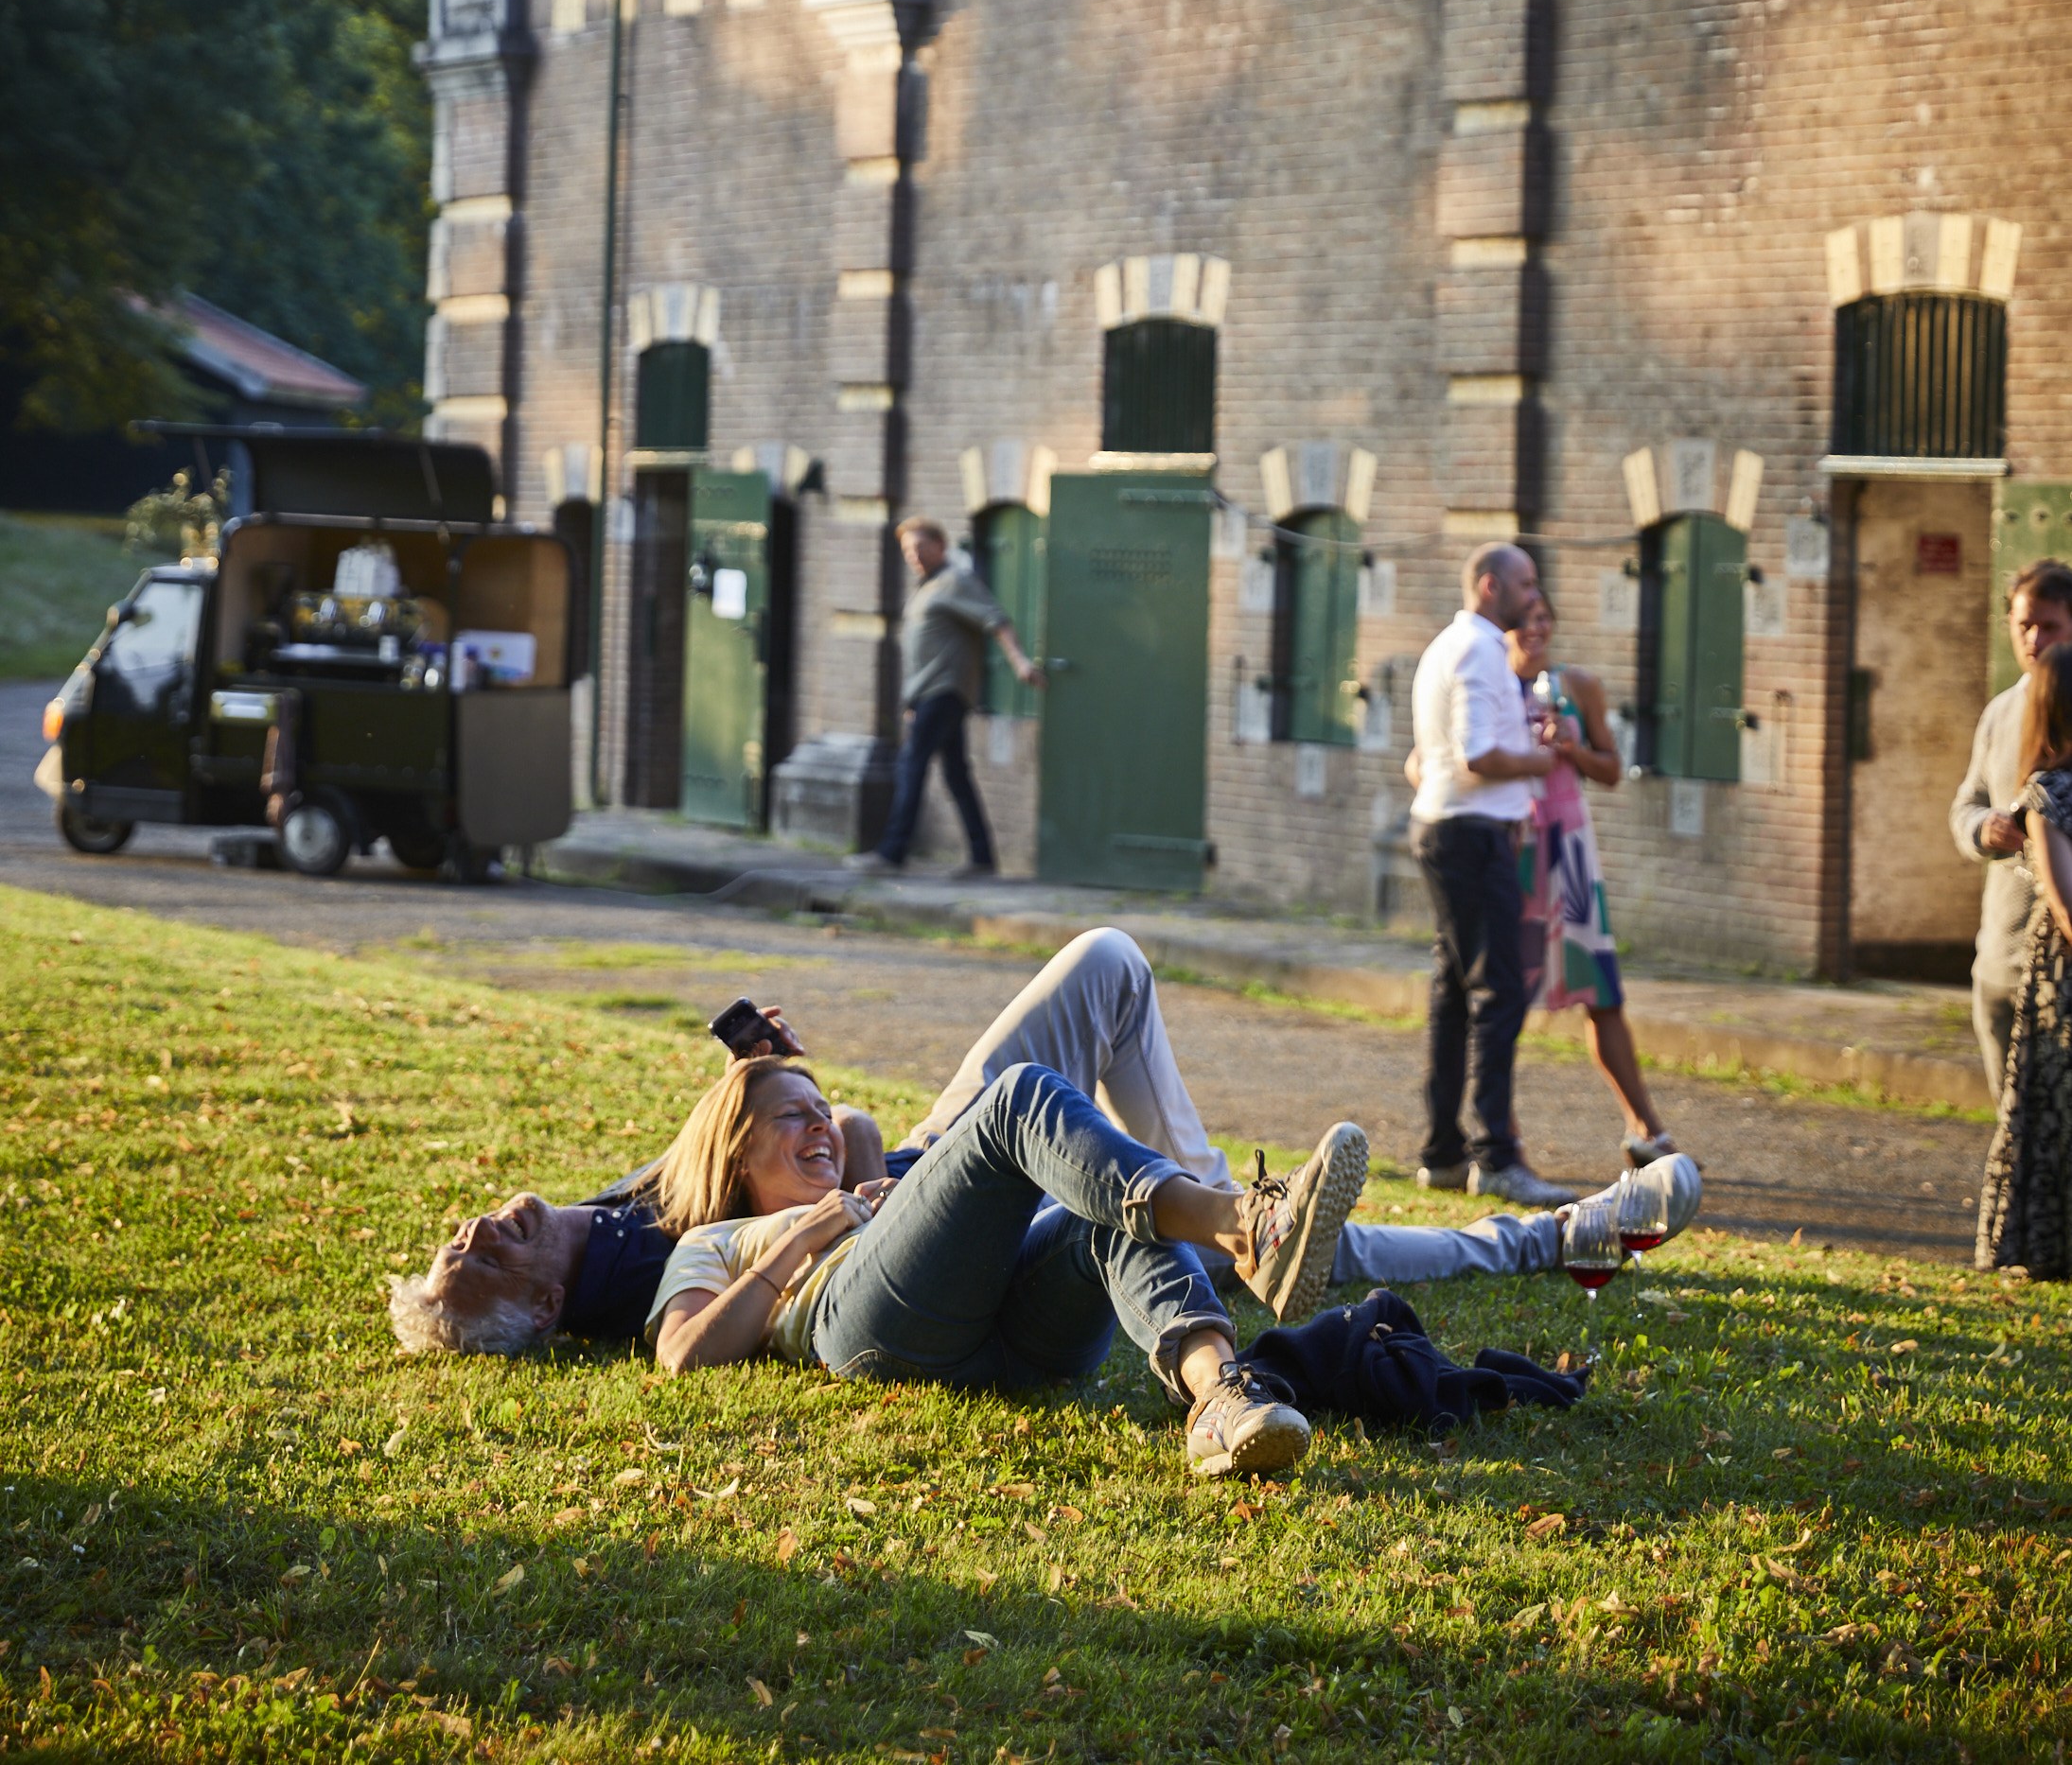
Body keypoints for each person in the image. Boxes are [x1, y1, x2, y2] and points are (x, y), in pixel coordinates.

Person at [388, 925, 1702, 1353]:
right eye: (480, 1265)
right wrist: (808, 1212)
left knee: (1109, 963)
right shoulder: (619, 1280)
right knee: (1091, 1140)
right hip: (935, 1206)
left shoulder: (598, 1209)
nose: (473, 1231)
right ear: (545, 1300)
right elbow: (699, 1336)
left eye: (454, 1238)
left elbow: (842, 1129)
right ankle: (1548, 1236)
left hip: (912, 1162)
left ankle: (1229, 1219)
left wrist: (790, 1105)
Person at [642, 1056, 1366, 1477]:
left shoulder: (852, 1175)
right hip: (871, 1331)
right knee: (1019, 1093)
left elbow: (858, 1126)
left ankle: (1219, 1399)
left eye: (820, 1111)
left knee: (1104, 1212)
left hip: (1009, 1337)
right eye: (791, 1116)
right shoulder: (718, 1239)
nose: (819, 1126)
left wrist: (885, 1200)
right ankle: (1242, 1225)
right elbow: (682, 1354)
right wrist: (807, 1234)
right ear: (736, 1149)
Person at [1407, 540, 1575, 1209]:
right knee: (1498, 990)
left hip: (1451, 830)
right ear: (1488, 586)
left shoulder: (1451, 644)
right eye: (1524, 583)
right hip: (1470, 836)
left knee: (1454, 993)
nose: (1534, 595)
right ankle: (1495, 1156)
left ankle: (1444, 1150)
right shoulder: (1477, 649)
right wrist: (1542, 760)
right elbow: (1478, 754)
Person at [1507, 592, 1678, 1167]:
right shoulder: (1489, 688)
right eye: (1525, 621)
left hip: (1572, 855)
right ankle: (1503, 1144)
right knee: (1506, 1001)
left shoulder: (1577, 685)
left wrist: (1575, 750)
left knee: (1601, 993)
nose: (1537, 630)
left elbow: (1610, 771)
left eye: (1544, 619)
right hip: (1517, 853)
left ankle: (1646, 1131)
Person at [1950, 560, 2072, 1100]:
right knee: (2013, 1131)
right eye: (2024, 625)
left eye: (2049, 626)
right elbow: (1965, 806)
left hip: (2063, 969)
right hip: (2000, 959)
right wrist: (1984, 829)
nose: (2034, 639)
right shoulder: (2001, 712)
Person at [858, 516, 1039, 879]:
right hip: (928, 695)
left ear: (941, 545)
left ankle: (892, 853)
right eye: (908, 549)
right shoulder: (927, 587)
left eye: (921, 546)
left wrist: (1019, 661)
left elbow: (995, 619)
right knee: (957, 774)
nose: (914, 555)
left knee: (911, 765)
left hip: (945, 692)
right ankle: (982, 857)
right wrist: (911, 703)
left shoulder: (956, 581)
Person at [1975, 643, 2072, 1274]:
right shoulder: (2047, 790)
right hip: (2063, 976)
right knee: (2053, 1110)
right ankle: (2045, 1248)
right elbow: (2066, 904)